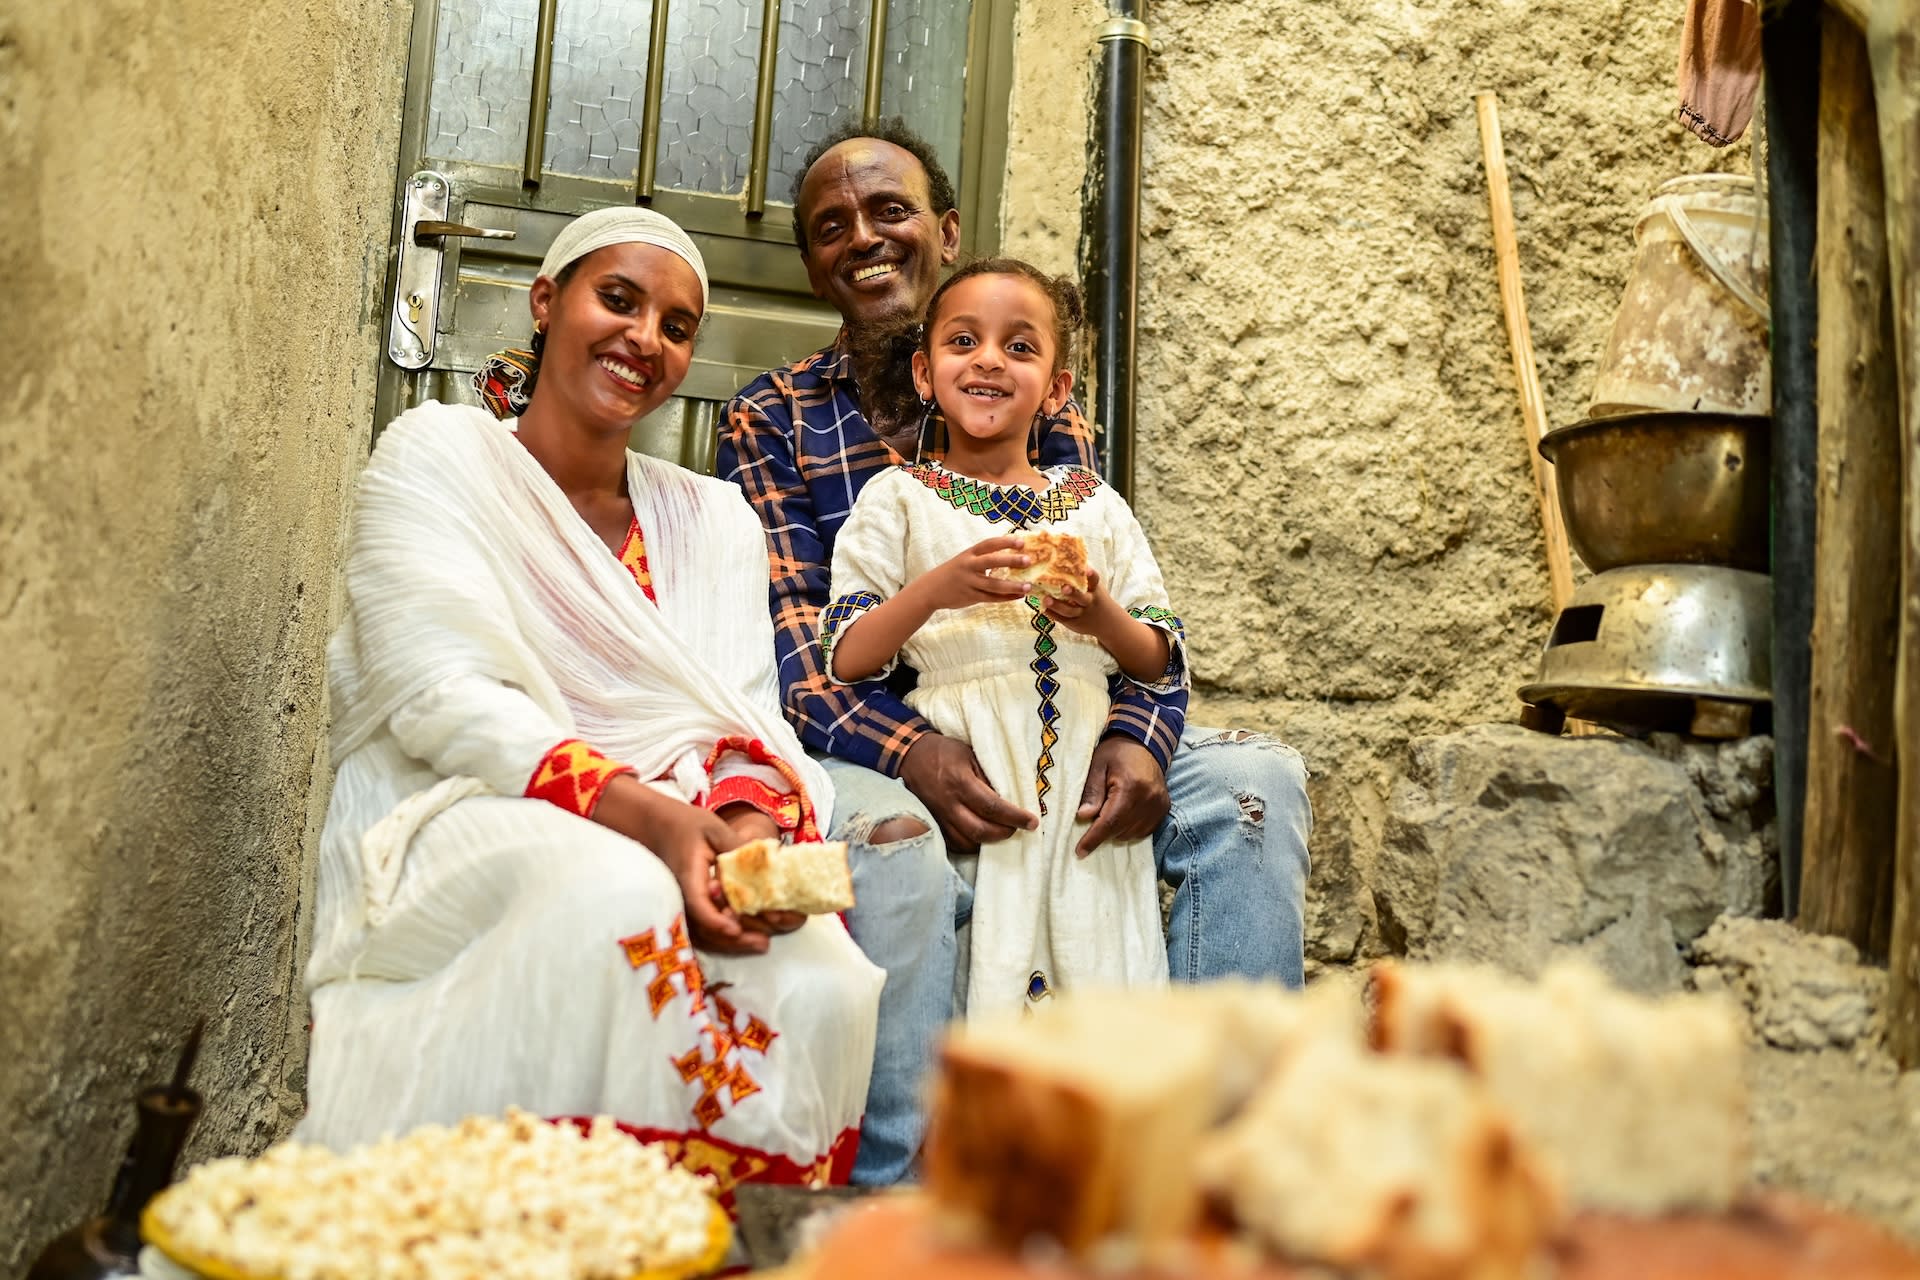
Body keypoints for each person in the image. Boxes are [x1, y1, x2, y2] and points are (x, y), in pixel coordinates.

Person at [720, 118, 1311, 1186]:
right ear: (812, 263)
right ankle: (898, 1190)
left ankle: (1236, 1162)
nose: (864, 236)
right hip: (892, 732)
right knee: (896, 835)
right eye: (831, 225)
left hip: (1076, 707)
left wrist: (1136, 738)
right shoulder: (772, 418)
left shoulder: (1045, 417)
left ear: (943, 230)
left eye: (889, 209)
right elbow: (804, 653)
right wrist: (916, 753)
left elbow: (1126, 606)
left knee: (1253, 785)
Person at [300, 207, 885, 1197]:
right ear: (545, 300)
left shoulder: (712, 519)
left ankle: (697, 1246)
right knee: (617, 897)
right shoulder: (436, 456)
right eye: (618, 299)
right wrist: (654, 821)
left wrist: (741, 835)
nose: (645, 338)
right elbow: (444, 699)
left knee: (826, 977)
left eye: (676, 324)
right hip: (456, 800)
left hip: (675, 819)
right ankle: (515, 1222)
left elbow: (740, 716)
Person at [823, 259, 1176, 1016]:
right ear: (925, 372)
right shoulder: (897, 500)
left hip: (1083, 778)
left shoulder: (1096, 505)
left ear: (1057, 388)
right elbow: (850, 656)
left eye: (1020, 348)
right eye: (963, 341)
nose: (988, 359)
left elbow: (1156, 657)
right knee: (987, 972)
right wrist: (934, 591)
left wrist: (1100, 617)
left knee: (1098, 977)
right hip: (979, 766)